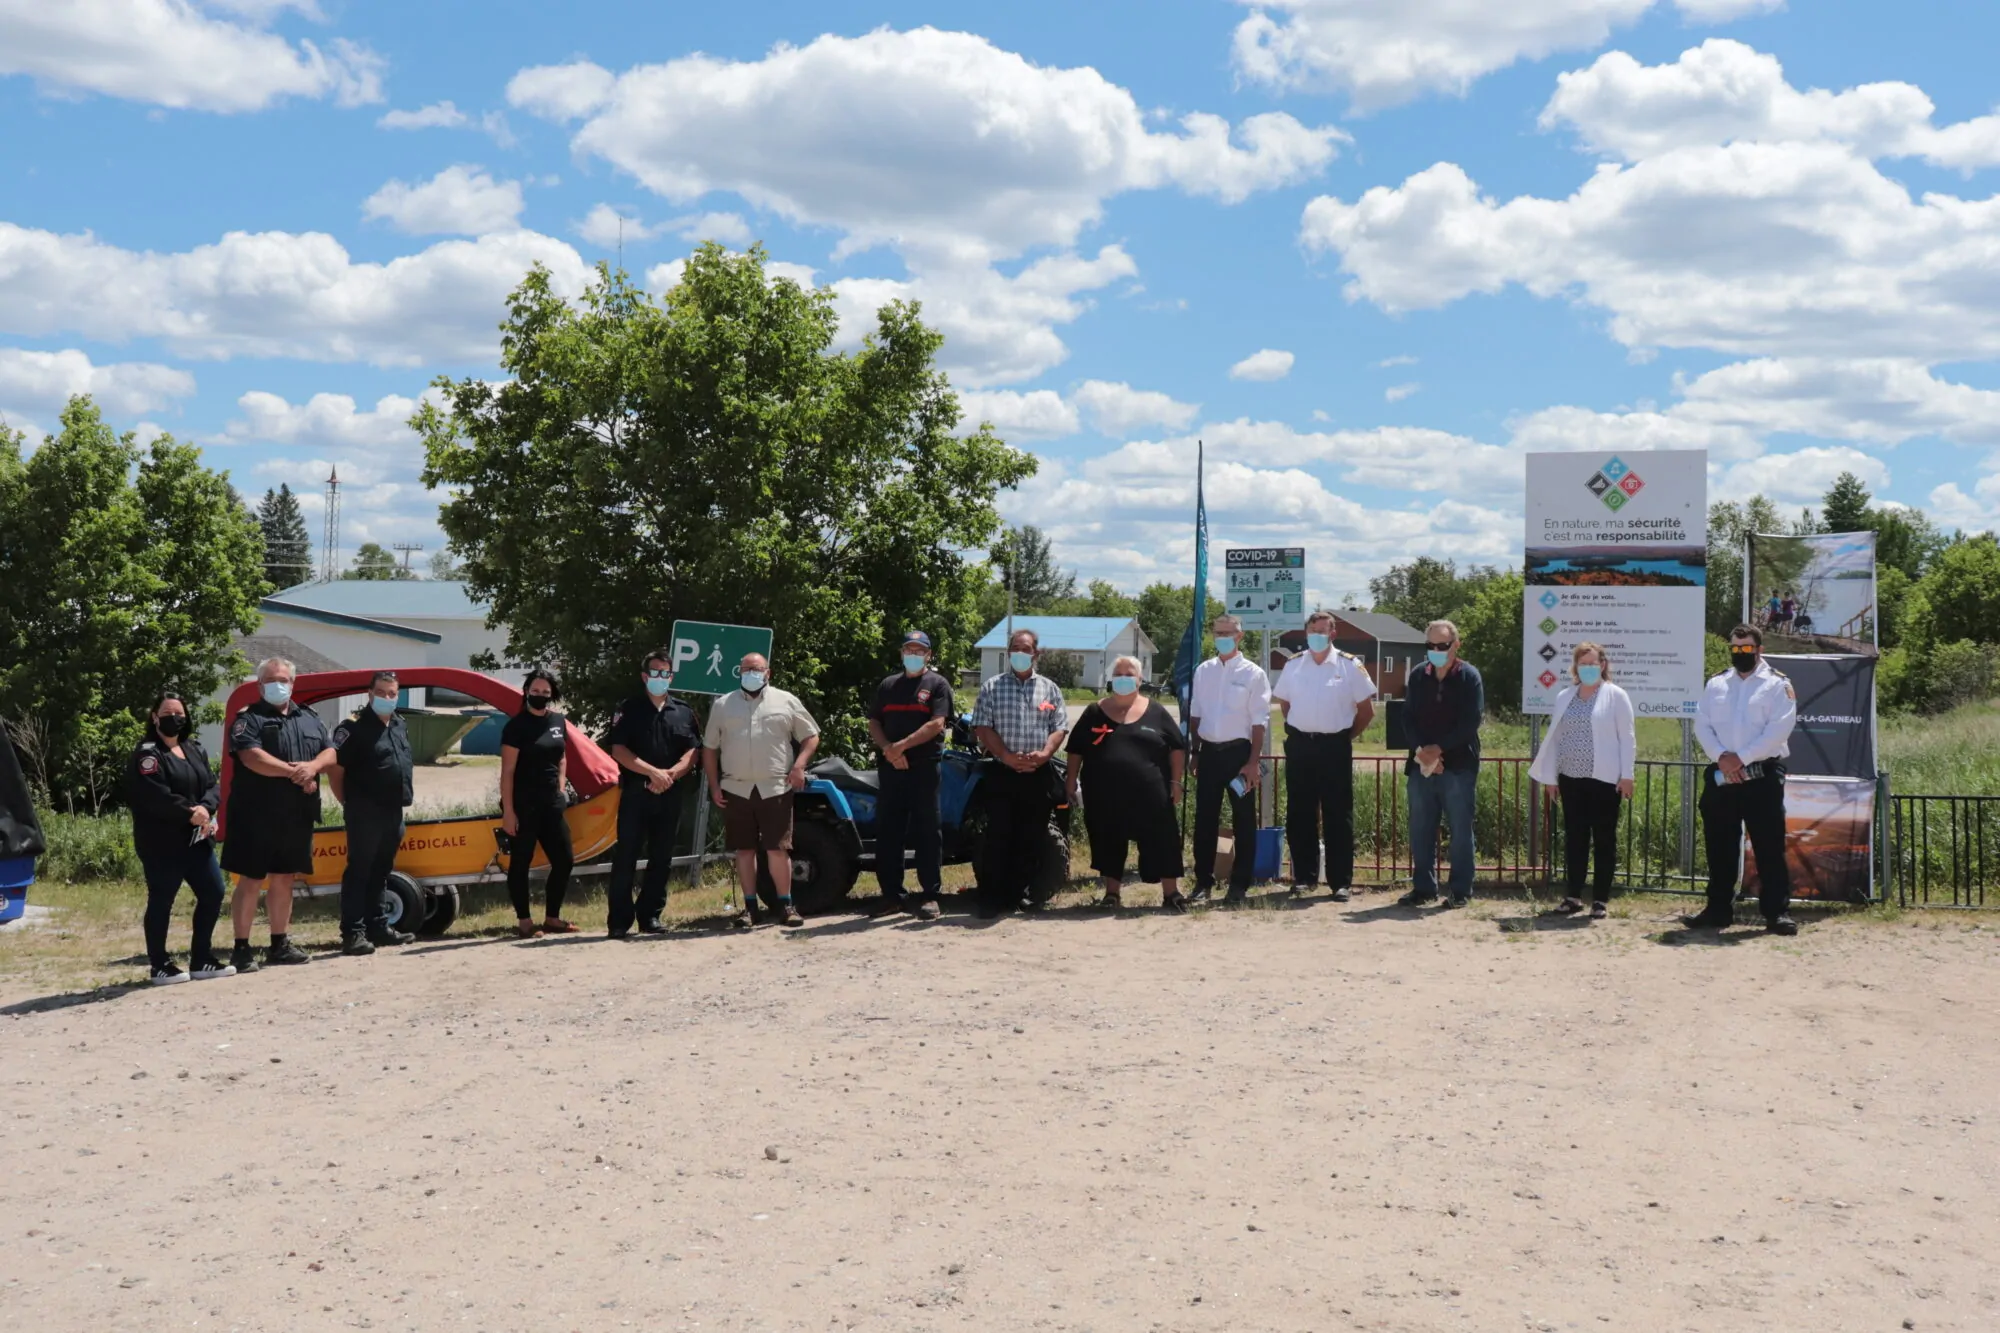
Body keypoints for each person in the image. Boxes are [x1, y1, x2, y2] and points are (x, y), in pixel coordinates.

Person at [223, 656, 337, 972]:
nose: (278, 685)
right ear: (260, 685)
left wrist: (313, 767)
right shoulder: (249, 718)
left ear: (293, 683)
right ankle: (242, 949)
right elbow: (251, 757)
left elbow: (329, 751)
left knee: (284, 879)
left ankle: (279, 944)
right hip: (255, 815)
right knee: (251, 879)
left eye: (284, 680)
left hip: (296, 815)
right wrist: (296, 773)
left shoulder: (309, 717)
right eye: (271, 680)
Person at [1687, 625, 1799, 935]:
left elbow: (1779, 730)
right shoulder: (1716, 684)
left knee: (1768, 846)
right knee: (1719, 847)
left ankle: (1777, 913)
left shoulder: (1777, 685)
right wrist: (1722, 756)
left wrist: (1742, 758)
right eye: (1735, 648)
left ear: (1759, 649)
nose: (1741, 653)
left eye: (1747, 648)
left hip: (1761, 775)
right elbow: (1702, 725)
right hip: (1722, 775)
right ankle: (1718, 910)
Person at [703, 653, 819, 929]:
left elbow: (811, 736)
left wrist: (799, 766)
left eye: (757, 669)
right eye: (746, 669)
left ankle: (786, 905)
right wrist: (714, 785)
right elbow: (709, 748)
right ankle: (749, 908)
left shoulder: (786, 700)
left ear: (768, 673)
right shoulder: (723, 705)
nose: (751, 674)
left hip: (776, 787)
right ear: (738, 672)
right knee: (744, 850)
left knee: (778, 849)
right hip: (736, 788)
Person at [127, 691, 235, 984]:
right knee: (162, 899)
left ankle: (202, 959)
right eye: (167, 713)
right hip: (162, 843)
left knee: (213, 892)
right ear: (154, 717)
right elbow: (155, 795)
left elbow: (212, 786)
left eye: (179, 714)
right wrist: (190, 812)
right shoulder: (148, 754)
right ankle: (159, 964)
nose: (174, 718)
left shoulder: (193, 748)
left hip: (197, 840)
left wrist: (206, 809)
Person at [1064, 655, 1187, 911]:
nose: (1123, 678)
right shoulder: (1095, 711)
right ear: (1111, 679)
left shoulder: (1156, 711)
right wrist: (1071, 779)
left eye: (1129, 674)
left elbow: (1176, 748)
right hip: (1104, 795)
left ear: (1140, 679)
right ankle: (1112, 894)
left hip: (1152, 794)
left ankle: (1171, 893)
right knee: (1109, 840)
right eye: (1118, 674)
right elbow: (1075, 749)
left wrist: (1176, 781)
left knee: (1163, 840)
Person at [1273, 610, 1377, 902]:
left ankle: (1340, 882)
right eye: (1312, 630)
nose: (1317, 635)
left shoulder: (1349, 665)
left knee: (1337, 815)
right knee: (1299, 813)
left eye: (1323, 630)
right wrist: (1304, 730)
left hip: (1335, 747)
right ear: (1306, 633)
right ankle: (1304, 878)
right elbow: (1285, 704)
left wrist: (1342, 736)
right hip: (1301, 747)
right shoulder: (1293, 665)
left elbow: (1367, 712)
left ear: (1333, 634)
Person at [1526, 643, 1636, 920]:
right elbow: (1556, 739)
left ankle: (1600, 900)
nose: (1587, 668)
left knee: (1603, 840)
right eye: (1582, 663)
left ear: (1602, 664)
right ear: (1575, 667)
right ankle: (1573, 896)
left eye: (1592, 663)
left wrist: (1628, 775)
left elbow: (1627, 738)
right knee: (1575, 838)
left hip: (1604, 779)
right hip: (1570, 778)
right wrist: (1551, 778)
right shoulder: (1565, 696)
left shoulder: (1616, 695)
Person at [970, 629, 1070, 917]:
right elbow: (983, 727)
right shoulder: (992, 687)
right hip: (1003, 772)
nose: (1020, 653)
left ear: (1036, 654)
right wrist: (1006, 756)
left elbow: (1059, 727)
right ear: (1008, 652)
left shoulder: (1050, 689)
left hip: (1038, 773)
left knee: (1031, 836)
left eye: (1026, 649)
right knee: (998, 836)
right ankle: (991, 898)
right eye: (1015, 648)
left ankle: (1021, 895)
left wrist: (1045, 754)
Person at [605, 650, 703, 937]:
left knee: (662, 858)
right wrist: (652, 772)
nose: (660, 677)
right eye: (655, 672)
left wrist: (670, 775)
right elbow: (619, 750)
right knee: (626, 856)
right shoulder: (628, 708)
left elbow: (693, 751)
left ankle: (650, 917)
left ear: (671, 677)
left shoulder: (683, 711)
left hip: (670, 793)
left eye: (665, 673)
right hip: (636, 794)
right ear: (644, 676)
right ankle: (620, 921)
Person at [327, 671, 417, 956]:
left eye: (392, 693)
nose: (387, 698)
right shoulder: (352, 728)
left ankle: (378, 926)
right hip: (364, 812)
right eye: (381, 692)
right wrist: (349, 804)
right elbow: (335, 771)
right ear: (369, 694)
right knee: (359, 871)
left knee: (381, 871)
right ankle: (353, 933)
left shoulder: (400, 724)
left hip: (393, 812)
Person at [1398, 620, 1484, 910]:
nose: (1436, 651)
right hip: (1421, 764)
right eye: (1431, 646)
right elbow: (1407, 718)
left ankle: (1460, 890)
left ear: (1456, 645)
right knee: (1420, 829)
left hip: (1459, 766)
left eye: (1442, 646)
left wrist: (1439, 749)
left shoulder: (1469, 676)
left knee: (1460, 830)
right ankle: (1423, 888)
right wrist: (1423, 751)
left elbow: (1471, 721)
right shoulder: (1418, 676)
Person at [867, 631, 954, 920]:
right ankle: (892, 896)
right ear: (902, 652)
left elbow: (937, 723)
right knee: (889, 832)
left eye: (920, 650)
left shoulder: (937, 684)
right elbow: (874, 722)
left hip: (924, 768)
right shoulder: (888, 685)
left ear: (929, 655)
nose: (914, 655)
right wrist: (888, 750)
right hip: (891, 769)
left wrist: (900, 747)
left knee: (928, 831)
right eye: (909, 649)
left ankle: (930, 896)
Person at [1187, 614, 1270, 906]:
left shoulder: (1253, 673)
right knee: (1204, 820)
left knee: (1244, 821)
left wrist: (1252, 762)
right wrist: (1195, 751)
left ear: (1240, 636)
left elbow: (1260, 722)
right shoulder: (1203, 671)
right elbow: (1196, 714)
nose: (1222, 636)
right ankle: (1202, 882)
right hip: (1209, 753)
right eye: (1217, 631)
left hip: (1239, 755)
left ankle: (1239, 885)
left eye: (1228, 632)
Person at [500, 669, 577, 939]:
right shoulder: (515, 727)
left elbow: (562, 757)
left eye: (546, 693)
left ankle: (553, 918)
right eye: (536, 691)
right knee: (521, 863)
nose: (540, 696)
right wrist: (508, 812)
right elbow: (507, 772)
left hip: (551, 803)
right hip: (523, 805)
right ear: (526, 691)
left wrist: (561, 786)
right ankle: (524, 922)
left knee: (565, 860)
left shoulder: (558, 721)